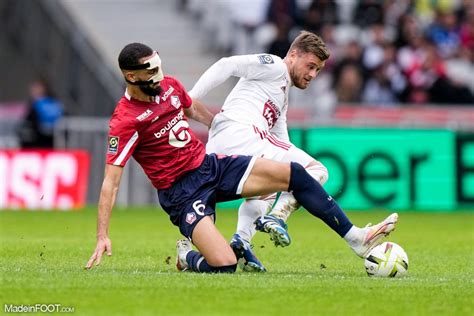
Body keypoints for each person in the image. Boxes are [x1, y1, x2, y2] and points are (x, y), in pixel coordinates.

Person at [85, 42, 398, 274]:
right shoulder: (124, 121)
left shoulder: (168, 87)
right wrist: (102, 236)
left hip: (211, 167)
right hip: (181, 193)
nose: (159, 75)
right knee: (224, 266)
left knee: (296, 174)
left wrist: (215, 122)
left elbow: (191, 108)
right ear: (131, 75)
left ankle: (355, 238)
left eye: (158, 65)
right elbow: (111, 183)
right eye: (150, 71)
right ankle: (188, 258)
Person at [189, 31, 397, 272]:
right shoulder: (275, 66)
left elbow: (283, 150)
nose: (312, 75)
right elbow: (227, 64)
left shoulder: (280, 98)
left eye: (317, 70)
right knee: (316, 170)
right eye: (310, 66)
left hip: (221, 147)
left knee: (270, 185)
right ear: (293, 55)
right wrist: (189, 98)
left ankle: (241, 243)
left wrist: (286, 183)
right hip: (241, 134)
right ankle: (288, 219)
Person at [17, 80, 63, 148]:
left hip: (43, 137)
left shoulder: (40, 104)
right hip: (45, 136)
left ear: (44, 89)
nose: (33, 90)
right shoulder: (53, 102)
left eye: (36, 87)